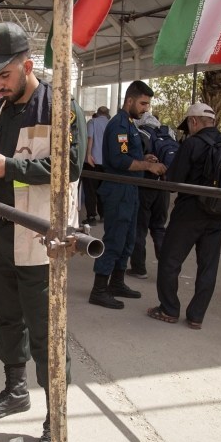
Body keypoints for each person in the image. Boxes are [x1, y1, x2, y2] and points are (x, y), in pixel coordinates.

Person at [0, 21, 84, 442]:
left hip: (38, 238)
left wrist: (8, 167)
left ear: (28, 66)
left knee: (47, 333)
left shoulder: (60, 106)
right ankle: (16, 391)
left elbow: (69, 166)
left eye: (3, 75)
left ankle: (57, 422)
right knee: (7, 318)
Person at [147, 102, 221, 329]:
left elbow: (174, 181)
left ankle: (169, 309)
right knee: (208, 265)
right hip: (219, 212)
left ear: (194, 122)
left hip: (189, 213)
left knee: (170, 259)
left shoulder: (192, 144)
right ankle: (196, 316)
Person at [88, 81, 166, 310]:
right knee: (114, 239)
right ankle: (99, 289)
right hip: (118, 190)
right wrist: (147, 166)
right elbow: (119, 160)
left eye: (148, 104)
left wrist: (145, 159)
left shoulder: (130, 124)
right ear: (129, 100)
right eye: (143, 103)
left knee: (129, 238)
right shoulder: (119, 125)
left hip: (130, 189)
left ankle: (117, 282)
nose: (146, 108)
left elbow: (129, 154)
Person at [127, 111, 172, 279]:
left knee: (140, 228)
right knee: (159, 228)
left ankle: (139, 268)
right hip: (163, 186)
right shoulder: (168, 134)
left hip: (145, 186)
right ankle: (167, 270)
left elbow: (132, 158)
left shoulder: (139, 133)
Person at [82, 106, 109, 226]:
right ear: (107, 114)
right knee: (103, 190)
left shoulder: (92, 122)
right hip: (107, 164)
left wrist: (88, 154)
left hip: (92, 162)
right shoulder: (111, 124)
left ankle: (91, 217)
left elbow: (90, 138)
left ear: (97, 113)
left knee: (90, 190)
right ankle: (103, 215)